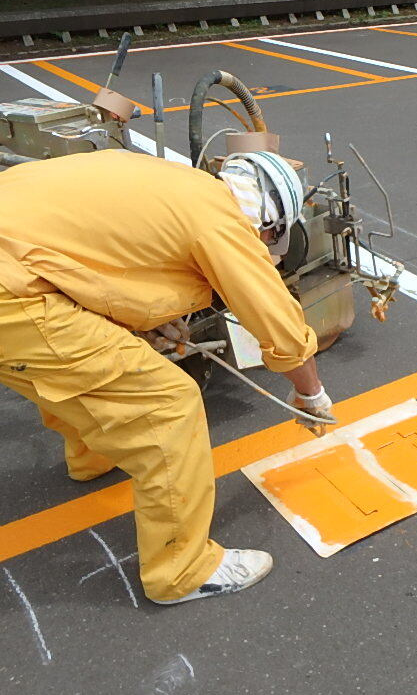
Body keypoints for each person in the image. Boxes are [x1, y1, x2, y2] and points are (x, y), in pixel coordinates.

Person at [0, 148, 333, 606]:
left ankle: (92, 456)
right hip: (11, 290)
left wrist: (148, 319)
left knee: (79, 366)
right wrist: (310, 392)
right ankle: (181, 571)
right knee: (167, 404)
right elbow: (276, 321)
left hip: (16, 264)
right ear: (270, 221)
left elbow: (92, 260)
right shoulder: (222, 219)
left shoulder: (176, 185)